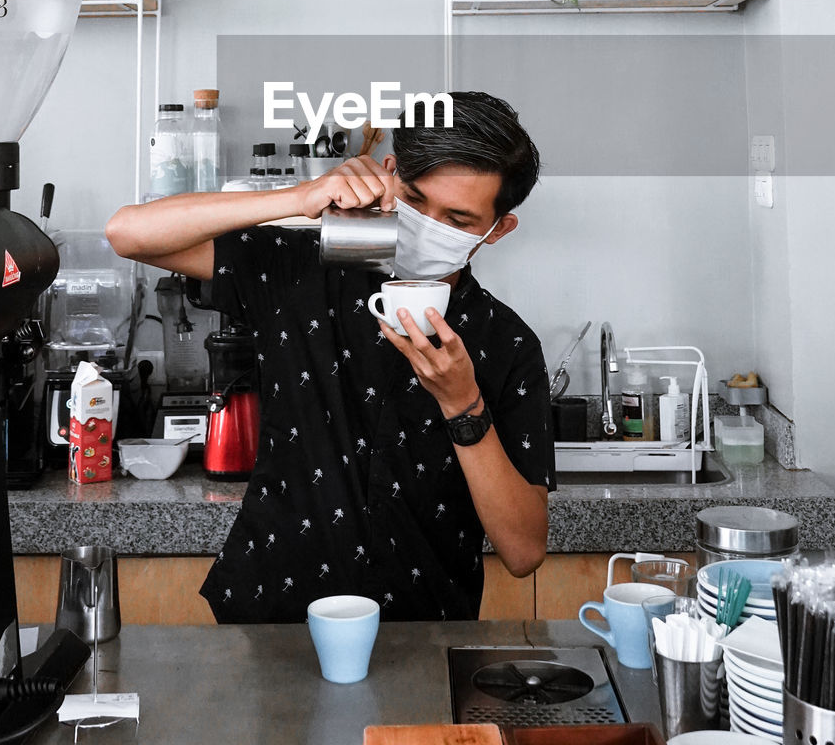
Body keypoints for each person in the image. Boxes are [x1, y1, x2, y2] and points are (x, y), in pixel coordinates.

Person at [105, 90, 555, 622]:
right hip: (271, 614)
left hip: (421, 631)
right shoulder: (304, 269)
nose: (428, 225)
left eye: (457, 220)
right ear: (389, 174)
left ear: (497, 229)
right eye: (414, 199)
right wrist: (300, 197)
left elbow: (524, 552)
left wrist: (463, 406)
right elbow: (127, 233)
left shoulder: (507, 343)